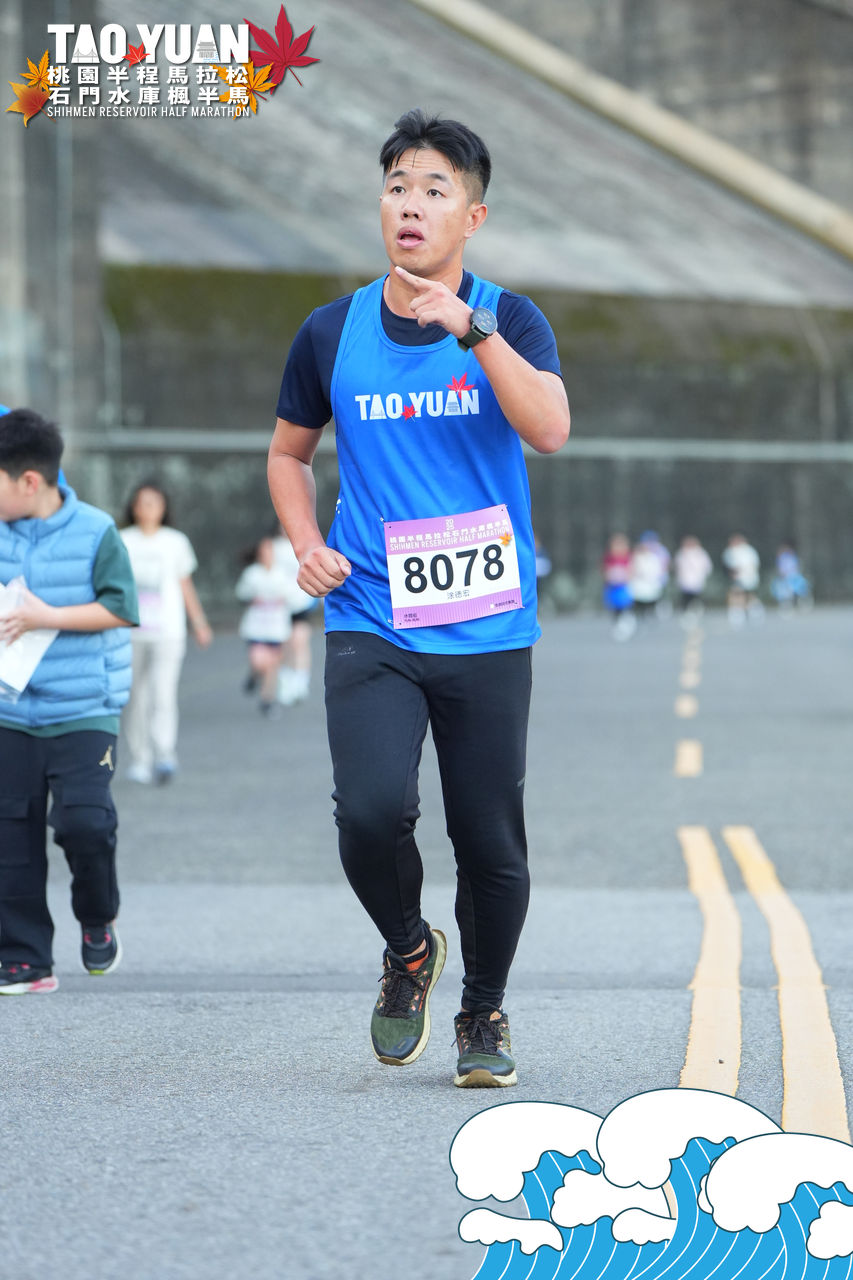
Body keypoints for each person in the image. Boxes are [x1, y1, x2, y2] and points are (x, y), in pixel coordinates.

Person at [267, 109, 570, 1088]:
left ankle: (483, 1007)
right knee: (368, 811)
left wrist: (470, 331)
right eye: (397, 184)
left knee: (488, 837)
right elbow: (287, 453)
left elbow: (549, 429)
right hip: (371, 613)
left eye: (434, 189)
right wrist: (306, 544)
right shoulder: (331, 330)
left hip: (486, 622)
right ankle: (408, 950)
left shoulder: (510, 318)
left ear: (470, 216)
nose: (410, 203)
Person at [0, 408, 138, 994]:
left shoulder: (96, 531)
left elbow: (121, 608)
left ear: (29, 480)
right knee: (10, 838)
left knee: (85, 823)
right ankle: (25, 958)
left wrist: (44, 616)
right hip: (9, 711)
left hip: (84, 709)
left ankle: (97, 914)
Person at [119, 481, 212, 784]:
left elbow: (185, 584)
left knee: (164, 692)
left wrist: (199, 622)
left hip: (168, 631)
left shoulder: (175, 542)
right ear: (134, 507)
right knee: (137, 696)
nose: (148, 508)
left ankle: (164, 753)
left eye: (154, 502)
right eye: (143, 502)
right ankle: (140, 758)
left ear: (163, 508)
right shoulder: (122, 540)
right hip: (131, 633)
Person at [236, 535, 292, 716]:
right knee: (259, 661)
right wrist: (253, 599)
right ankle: (254, 675)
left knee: (272, 664)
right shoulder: (252, 574)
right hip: (257, 626)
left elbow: (293, 595)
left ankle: (267, 699)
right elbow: (242, 594)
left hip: (276, 627)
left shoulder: (282, 573)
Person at [272, 525, 317, 705]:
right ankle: (286, 682)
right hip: (280, 605)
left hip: (301, 602)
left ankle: (301, 682)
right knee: (285, 645)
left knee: (300, 641)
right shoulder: (273, 547)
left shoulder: (306, 544)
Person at [722, 532, 762, 627]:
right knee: (736, 594)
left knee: (748, 596)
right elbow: (729, 565)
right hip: (738, 577)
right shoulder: (730, 551)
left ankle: (752, 610)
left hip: (748, 577)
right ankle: (737, 612)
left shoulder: (748, 551)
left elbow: (754, 564)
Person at [601, 532, 636, 640]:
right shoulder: (609, 558)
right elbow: (605, 571)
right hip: (613, 587)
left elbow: (631, 570)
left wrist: (627, 578)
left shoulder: (627, 558)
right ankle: (618, 625)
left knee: (625, 607)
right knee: (615, 608)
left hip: (623, 586)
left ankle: (626, 624)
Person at [674, 534, 713, 624]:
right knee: (686, 597)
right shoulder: (681, 553)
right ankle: (686, 613)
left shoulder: (701, 553)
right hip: (685, 580)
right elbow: (678, 567)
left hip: (696, 580)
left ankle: (696, 611)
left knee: (696, 597)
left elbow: (707, 566)